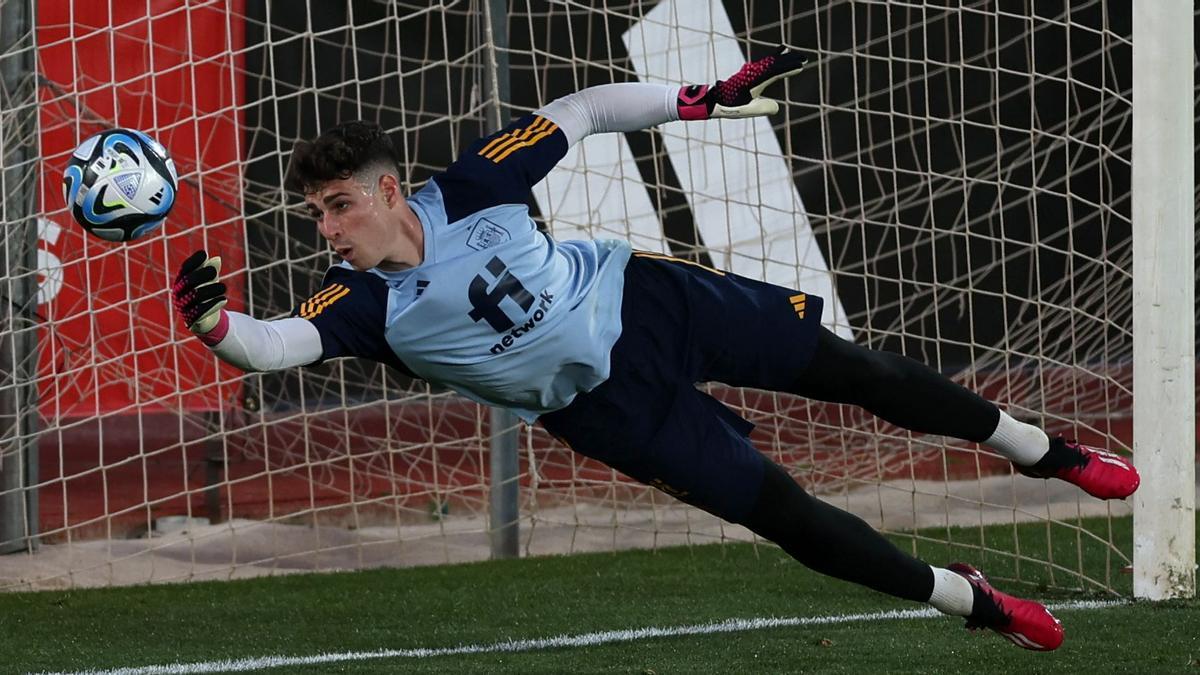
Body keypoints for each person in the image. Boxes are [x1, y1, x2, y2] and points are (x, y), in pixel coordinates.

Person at [170, 48, 1138, 652]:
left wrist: (695, 98)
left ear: (387, 193)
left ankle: (1048, 453)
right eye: (316, 215)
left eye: (337, 207)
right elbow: (268, 346)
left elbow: (582, 112)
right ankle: (967, 602)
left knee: (860, 372)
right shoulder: (358, 303)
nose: (327, 230)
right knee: (788, 516)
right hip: (606, 409)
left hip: (650, 302)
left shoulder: (474, 184)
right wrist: (215, 325)